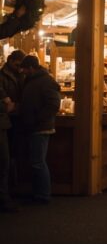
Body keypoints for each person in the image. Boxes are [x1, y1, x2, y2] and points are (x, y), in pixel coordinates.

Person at [18, 55, 60, 204]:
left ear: (31, 68)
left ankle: (43, 195)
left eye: (24, 69)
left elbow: (54, 105)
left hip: (40, 127)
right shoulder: (34, 80)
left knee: (38, 162)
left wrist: (36, 118)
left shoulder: (46, 81)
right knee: (36, 161)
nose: (22, 71)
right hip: (34, 126)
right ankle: (39, 193)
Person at [0, 50, 25, 212]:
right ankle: (5, 197)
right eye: (18, 64)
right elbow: (6, 104)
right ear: (11, 61)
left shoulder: (19, 74)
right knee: (4, 159)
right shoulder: (2, 76)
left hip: (14, 121)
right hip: (5, 120)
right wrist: (10, 105)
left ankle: (11, 191)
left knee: (12, 157)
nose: (20, 68)